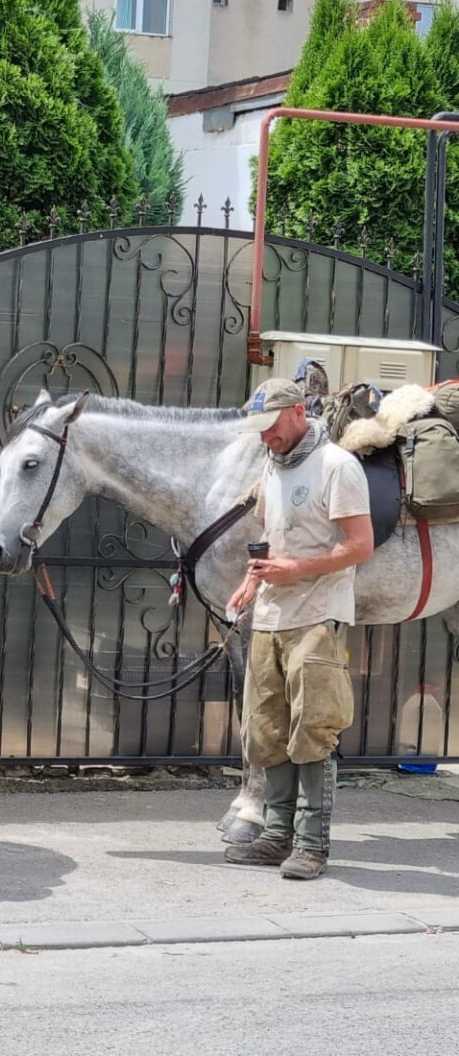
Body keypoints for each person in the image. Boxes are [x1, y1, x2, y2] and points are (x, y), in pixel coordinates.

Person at [226, 377, 373, 880]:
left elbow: (360, 545)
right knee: (266, 729)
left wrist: (297, 570)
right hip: (270, 616)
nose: (265, 437)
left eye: (271, 427)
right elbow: (269, 536)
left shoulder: (337, 465)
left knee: (313, 728)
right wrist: (251, 581)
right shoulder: (273, 465)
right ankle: (276, 836)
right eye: (260, 430)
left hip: (318, 614)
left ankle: (311, 846)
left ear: (296, 412)